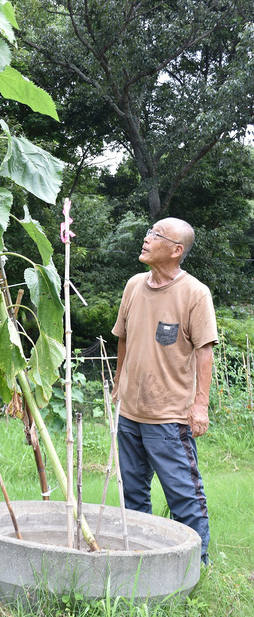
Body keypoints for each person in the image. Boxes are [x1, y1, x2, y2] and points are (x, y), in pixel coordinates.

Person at [111, 218, 218, 566]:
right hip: (130, 414)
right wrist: (118, 382)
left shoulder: (195, 293)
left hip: (170, 417)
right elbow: (123, 336)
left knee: (183, 494)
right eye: (148, 232)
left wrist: (199, 405)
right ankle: (141, 560)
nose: (146, 238)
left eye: (155, 235)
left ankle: (194, 565)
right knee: (133, 493)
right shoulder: (132, 286)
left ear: (176, 250)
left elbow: (205, 351)